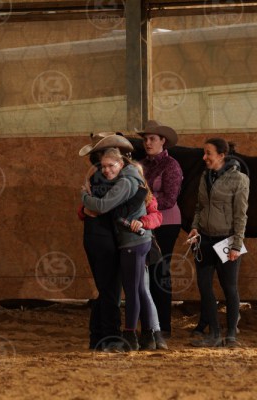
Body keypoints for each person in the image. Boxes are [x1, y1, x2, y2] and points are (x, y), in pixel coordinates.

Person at [78, 133, 166, 351]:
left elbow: (152, 212)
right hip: (116, 240)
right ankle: (125, 335)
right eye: (103, 162)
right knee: (123, 290)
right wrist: (86, 207)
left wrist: (143, 222)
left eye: (111, 162)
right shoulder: (101, 177)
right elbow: (97, 209)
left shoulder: (127, 179)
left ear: (121, 161)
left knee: (129, 289)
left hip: (126, 240)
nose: (106, 167)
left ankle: (140, 334)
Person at [187, 138, 249, 348]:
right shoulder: (205, 176)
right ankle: (213, 333)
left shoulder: (239, 180)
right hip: (204, 239)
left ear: (222, 156)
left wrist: (236, 245)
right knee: (204, 287)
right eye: (204, 153)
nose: (204, 157)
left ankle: (231, 335)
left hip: (227, 239)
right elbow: (199, 207)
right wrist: (195, 227)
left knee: (229, 288)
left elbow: (241, 215)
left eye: (208, 153)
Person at [136, 120, 183, 337]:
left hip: (166, 223)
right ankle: (149, 323)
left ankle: (163, 325)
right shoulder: (140, 164)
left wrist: (143, 206)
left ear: (163, 141)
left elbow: (170, 199)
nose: (148, 143)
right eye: (145, 139)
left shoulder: (171, 165)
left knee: (160, 271)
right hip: (146, 221)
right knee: (144, 272)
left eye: (152, 139)